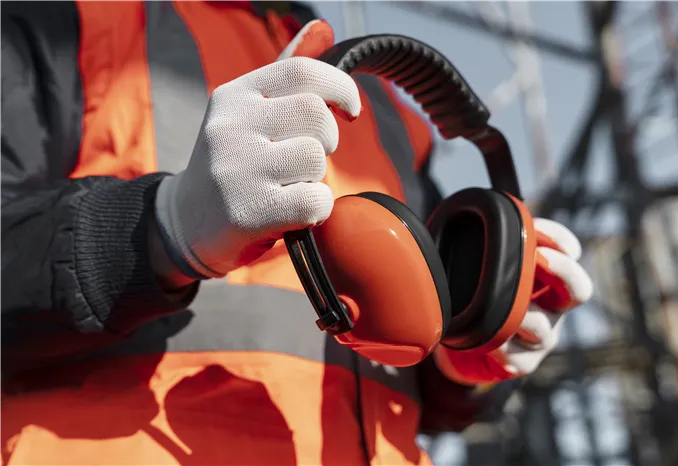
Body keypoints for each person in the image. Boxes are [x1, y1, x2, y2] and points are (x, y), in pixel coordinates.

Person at [0, 1, 593, 464]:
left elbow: (405, 341)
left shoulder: (384, 104)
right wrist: (161, 226)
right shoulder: (61, 19)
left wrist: (463, 364)